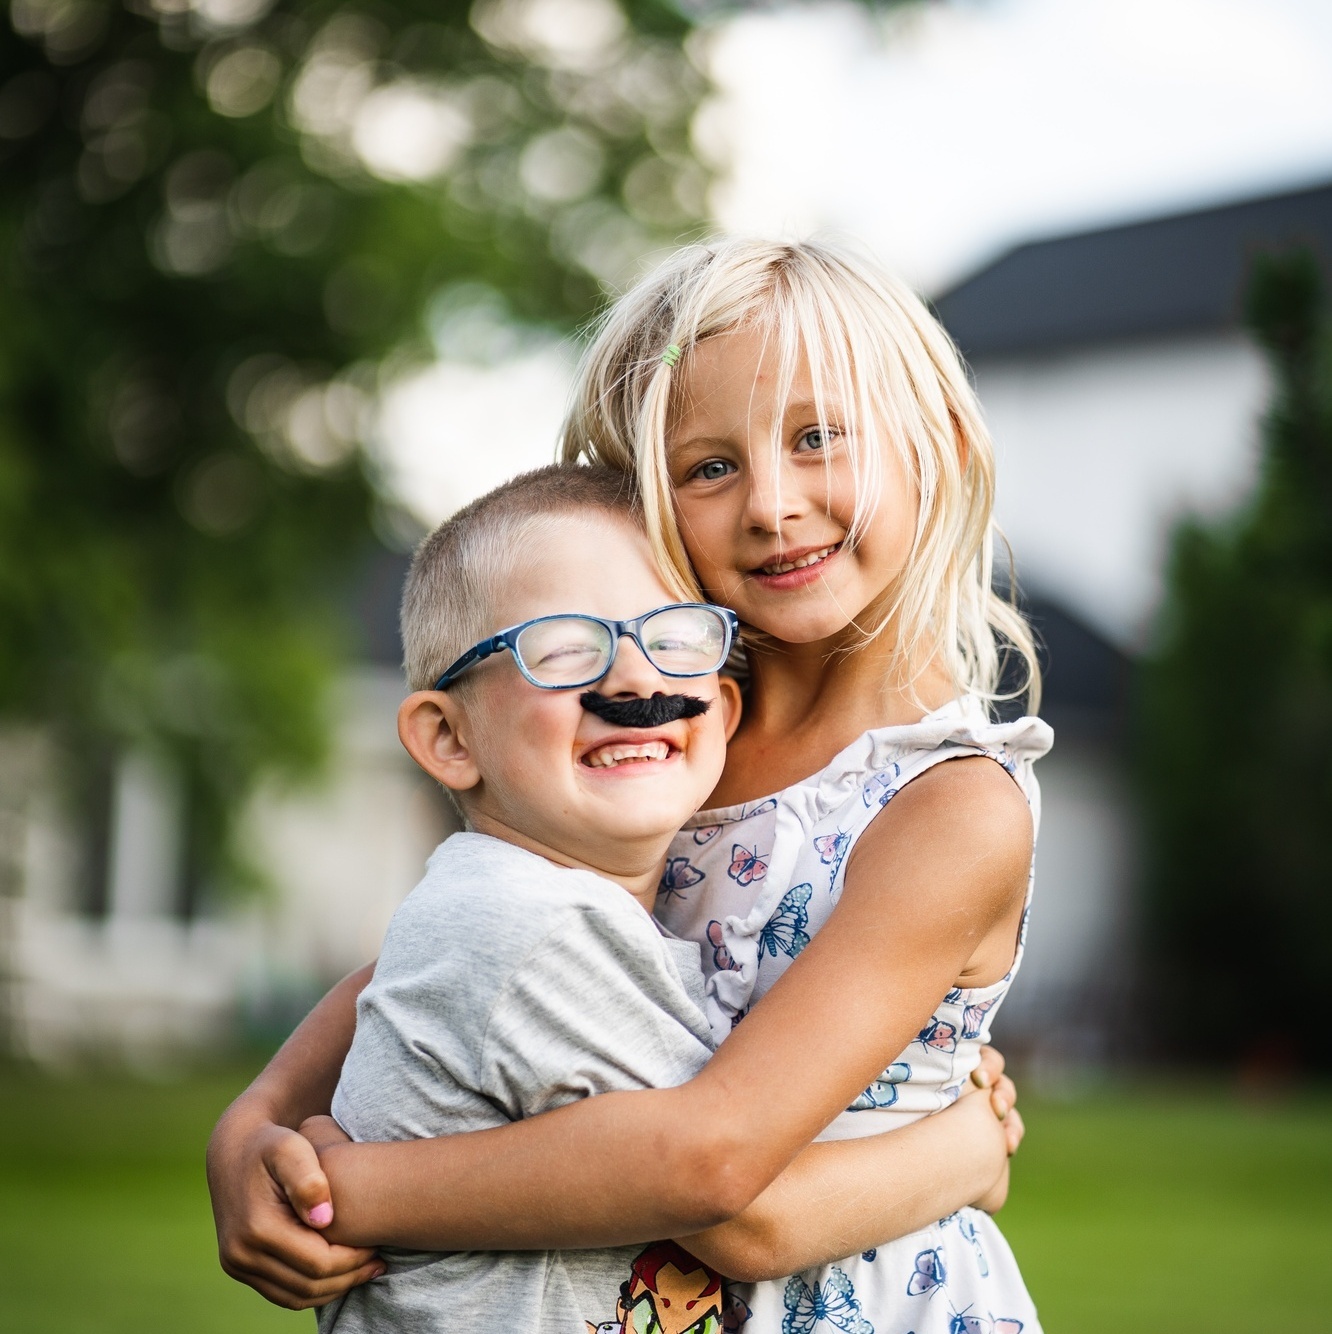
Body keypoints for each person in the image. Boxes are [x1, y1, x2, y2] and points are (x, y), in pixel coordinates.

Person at [208, 237, 1050, 1333]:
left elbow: (725, 1177)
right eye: (710, 466)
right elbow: (459, 950)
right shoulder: (670, 738)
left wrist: (345, 1194)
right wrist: (254, 1124)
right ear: (646, 499)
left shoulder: (948, 807)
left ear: (933, 444)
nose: (771, 504)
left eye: (818, 439)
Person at [301, 462, 1018, 1334]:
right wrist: (969, 1153)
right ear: (448, 737)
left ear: (719, 711)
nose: (637, 684)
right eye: (565, 647)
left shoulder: (558, 905)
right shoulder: (530, 929)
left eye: (674, 638)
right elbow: (721, 1185)